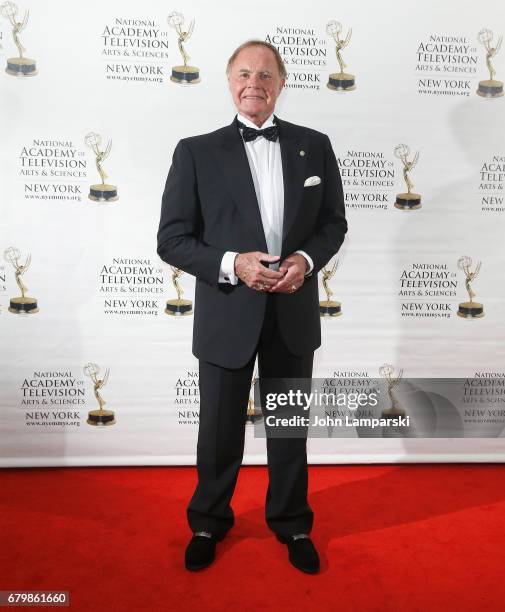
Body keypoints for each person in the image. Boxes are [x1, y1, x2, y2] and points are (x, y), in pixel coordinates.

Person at [157, 40, 347, 574]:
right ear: (228, 80)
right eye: (244, 73)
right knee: (218, 430)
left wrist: (306, 260)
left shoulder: (316, 145)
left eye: (266, 74)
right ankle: (207, 522)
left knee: (288, 428)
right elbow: (172, 239)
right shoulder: (195, 151)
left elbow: (334, 223)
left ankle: (292, 524)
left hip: (291, 315)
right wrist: (232, 263)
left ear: (281, 83)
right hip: (226, 315)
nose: (254, 83)